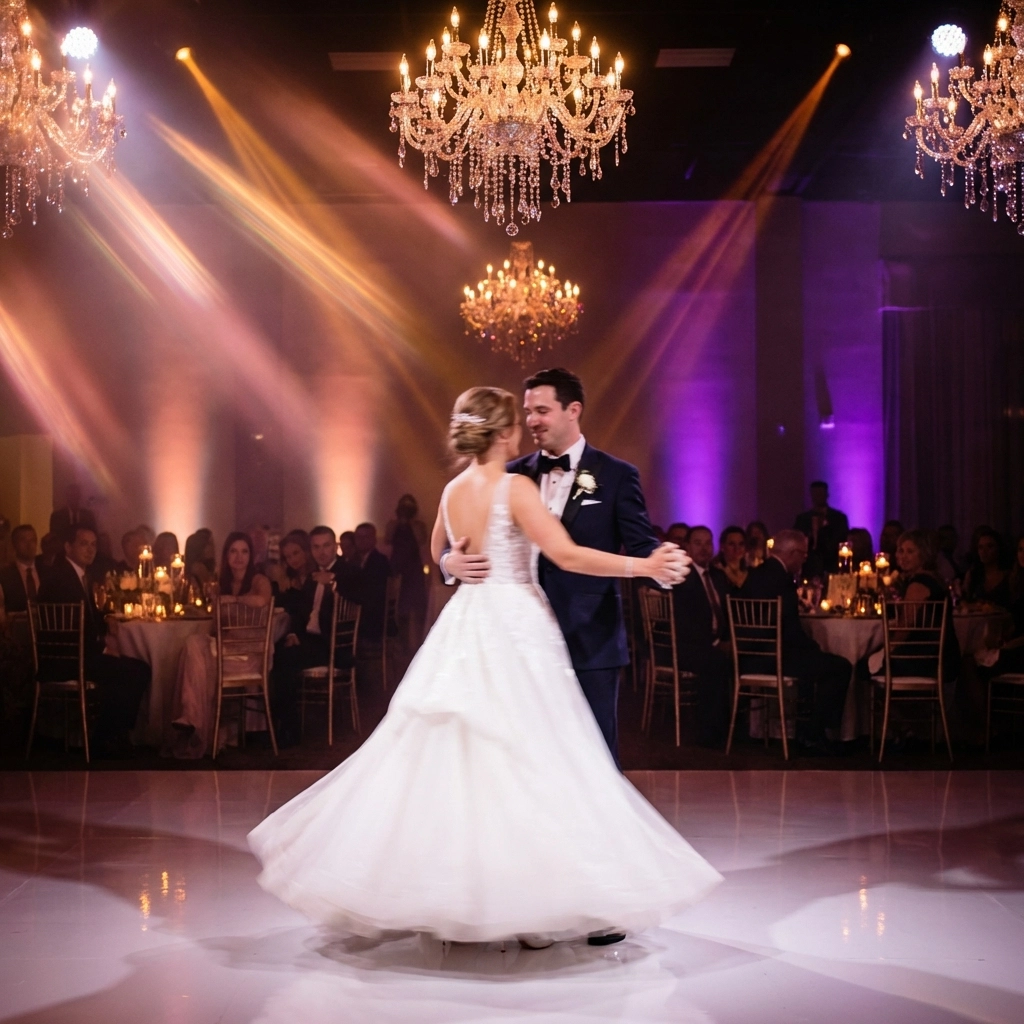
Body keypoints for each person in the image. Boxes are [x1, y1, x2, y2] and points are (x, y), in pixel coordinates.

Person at [248, 385, 718, 948]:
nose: (524, 427)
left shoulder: (451, 489)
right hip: (516, 623)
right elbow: (565, 554)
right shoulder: (515, 487)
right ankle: (526, 906)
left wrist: (447, 559)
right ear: (502, 434)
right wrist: (642, 564)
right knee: (530, 759)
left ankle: (461, 897)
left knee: (461, 761)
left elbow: (434, 550)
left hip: (467, 622)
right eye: (516, 422)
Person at [443, 368, 684, 765]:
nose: (532, 421)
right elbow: (450, 547)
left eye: (541, 410)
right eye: (526, 412)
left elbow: (643, 547)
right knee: (520, 756)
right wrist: (449, 561)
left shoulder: (617, 476)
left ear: (573, 410)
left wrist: (661, 566)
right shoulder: (510, 475)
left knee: (593, 761)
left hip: (590, 636)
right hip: (512, 639)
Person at [37, 525, 150, 758]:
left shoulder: (78, 575)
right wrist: (105, 646)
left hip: (76, 655)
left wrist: (105, 621)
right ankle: (105, 738)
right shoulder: (61, 579)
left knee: (132, 668)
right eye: (83, 544)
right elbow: (70, 631)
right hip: (65, 661)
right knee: (137, 670)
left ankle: (109, 735)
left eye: (93, 545)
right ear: (68, 547)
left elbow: (85, 620)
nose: (90, 550)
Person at [741, 529, 851, 754]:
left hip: (752, 654)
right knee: (840, 667)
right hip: (774, 658)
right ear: (792, 553)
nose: (804, 559)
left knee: (813, 662)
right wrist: (813, 647)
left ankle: (807, 731)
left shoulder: (756, 574)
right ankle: (814, 733)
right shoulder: (781, 581)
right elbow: (788, 629)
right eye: (803, 554)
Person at [169, 533, 272, 757]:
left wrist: (234, 600)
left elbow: (263, 600)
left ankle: (194, 722)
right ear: (226, 555)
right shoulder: (222, 582)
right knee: (193, 643)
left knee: (197, 653)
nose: (239, 557)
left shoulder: (258, 580)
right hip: (226, 650)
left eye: (244, 551)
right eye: (233, 551)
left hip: (250, 653)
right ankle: (191, 720)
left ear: (250, 555)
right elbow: (217, 626)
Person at [270, 526, 339, 747]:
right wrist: (293, 633)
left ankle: (287, 728)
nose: (292, 559)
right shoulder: (302, 580)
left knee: (283, 659)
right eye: (288, 556)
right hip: (308, 639)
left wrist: (297, 635)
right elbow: (299, 614)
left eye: (296, 553)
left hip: (326, 644)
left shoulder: (324, 576)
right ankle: (280, 725)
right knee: (276, 653)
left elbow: (314, 617)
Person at [672, 525, 732, 747]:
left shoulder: (718, 576)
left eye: (708, 543)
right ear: (687, 546)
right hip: (688, 645)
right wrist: (717, 644)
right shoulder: (681, 578)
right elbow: (686, 624)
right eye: (698, 543)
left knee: (745, 657)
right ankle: (710, 734)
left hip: (715, 642)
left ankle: (740, 728)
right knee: (715, 661)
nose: (704, 548)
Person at [385, 495, 430, 656]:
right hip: (397, 569)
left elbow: (421, 540)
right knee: (397, 613)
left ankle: (413, 651)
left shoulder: (418, 525)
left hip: (413, 571)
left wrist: (410, 523)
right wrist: (398, 522)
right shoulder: (393, 525)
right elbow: (387, 539)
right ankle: (400, 649)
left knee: (413, 612)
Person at [794, 480, 850, 576]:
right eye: (815, 494)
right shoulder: (802, 519)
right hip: (808, 567)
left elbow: (841, 540)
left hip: (831, 565)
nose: (817, 497)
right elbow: (797, 539)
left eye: (820, 493)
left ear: (826, 494)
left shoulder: (838, 518)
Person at [353, 522, 391, 646]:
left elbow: (375, 593)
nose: (361, 541)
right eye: (358, 537)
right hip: (360, 612)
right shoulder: (353, 561)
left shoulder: (380, 561)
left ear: (374, 539)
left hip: (373, 618)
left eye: (366, 537)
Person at [0, 525, 45, 616]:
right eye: (23, 541)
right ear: (14, 544)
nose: (29, 545)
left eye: (32, 540)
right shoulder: (5, 575)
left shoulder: (46, 571)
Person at [963, 527, 1010, 608]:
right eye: (980, 547)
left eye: (990, 546)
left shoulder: (1009, 576)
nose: (984, 551)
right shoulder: (973, 575)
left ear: (999, 548)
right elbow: (964, 603)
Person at [714, 524, 748, 591]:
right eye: (731, 544)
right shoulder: (715, 572)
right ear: (722, 547)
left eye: (741, 544)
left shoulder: (751, 572)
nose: (737, 548)